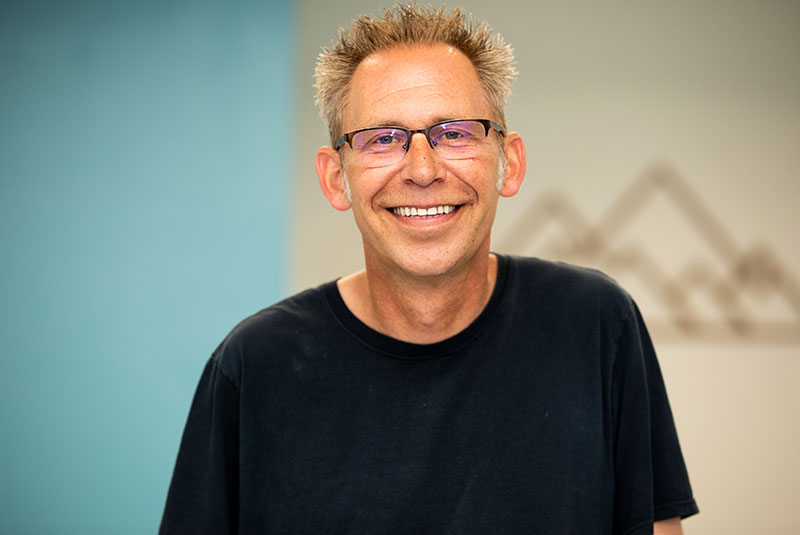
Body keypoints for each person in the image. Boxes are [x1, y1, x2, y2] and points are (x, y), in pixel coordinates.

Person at [160, 4, 698, 534]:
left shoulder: (596, 325)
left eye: (455, 133)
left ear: (509, 164)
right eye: (382, 139)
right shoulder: (255, 366)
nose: (421, 170)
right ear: (334, 179)